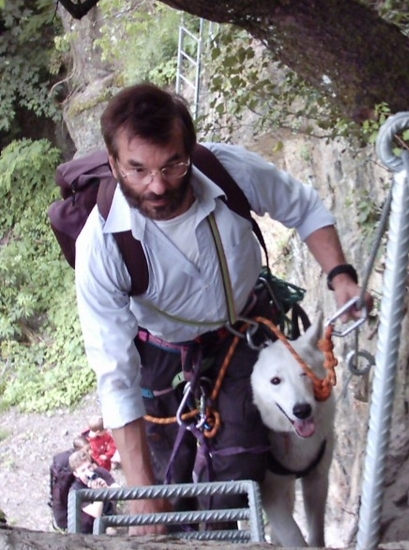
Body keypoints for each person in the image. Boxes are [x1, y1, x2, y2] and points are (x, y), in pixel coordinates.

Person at [75, 82, 373, 534]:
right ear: (114, 163)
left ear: (189, 150)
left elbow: (303, 206)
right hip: (160, 357)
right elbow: (115, 370)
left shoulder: (227, 171)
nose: (156, 186)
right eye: (137, 170)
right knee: (165, 489)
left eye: (172, 164)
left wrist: (341, 277)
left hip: (246, 336)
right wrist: (141, 492)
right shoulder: (101, 245)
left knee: (240, 472)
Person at [68, 449, 119, 534]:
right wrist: (99, 493)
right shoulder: (76, 490)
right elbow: (96, 513)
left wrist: (106, 488)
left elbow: (118, 490)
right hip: (88, 527)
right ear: (76, 474)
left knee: (112, 532)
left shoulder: (100, 472)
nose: (88, 472)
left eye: (89, 467)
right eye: (83, 470)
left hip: (107, 514)